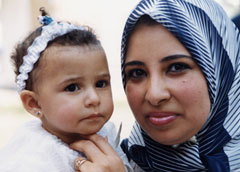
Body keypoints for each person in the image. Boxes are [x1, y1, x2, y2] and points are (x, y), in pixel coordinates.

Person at [71, 0, 240, 171]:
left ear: (222, 71)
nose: (154, 94)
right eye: (137, 73)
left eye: (176, 67)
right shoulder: (115, 162)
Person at [0, 8, 131, 172]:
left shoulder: (105, 133)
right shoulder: (33, 158)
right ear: (34, 103)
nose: (94, 98)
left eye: (101, 83)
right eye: (72, 87)